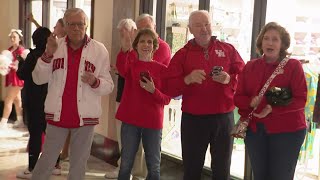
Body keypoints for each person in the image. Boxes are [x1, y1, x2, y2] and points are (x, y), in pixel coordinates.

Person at [30, 8, 114, 180]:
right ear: (65, 26)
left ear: (86, 25)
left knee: (78, 165)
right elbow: (37, 78)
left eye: (80, 24)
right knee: (46, 161)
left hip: (86, 118)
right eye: (72, 24)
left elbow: (109, 86)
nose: (76, 28)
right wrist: (48, 55)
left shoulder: (99, 50)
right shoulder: (54, 46)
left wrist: (94, 82)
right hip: (57, 115)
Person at [162, 10, 245, 180]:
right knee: (192, 169)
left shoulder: (228, 50)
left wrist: (230, 79)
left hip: (223, 118)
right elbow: (168, 88)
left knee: (222, 169)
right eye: (198, 25)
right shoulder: (182, 55)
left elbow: (245, 76)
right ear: (190, 29)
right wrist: (187, 79)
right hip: (194, 120)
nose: (204, 29)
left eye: (207, 24)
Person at [234, 22, 307, 180]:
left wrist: (273, 109)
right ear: (261, 43)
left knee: (281, 176)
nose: (270, 42)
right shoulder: (250, 66)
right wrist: (250, 102)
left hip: (288, 132)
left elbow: (301, 99)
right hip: (256, 132)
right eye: (266, 38)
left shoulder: (293, 66)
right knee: (260, 175)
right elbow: (238, 97)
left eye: (275, 39)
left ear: (283, 44)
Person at [105, 14, 171, 180]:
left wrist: (153, 90)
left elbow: (166, 99)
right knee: (126, 163)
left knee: (153, 166)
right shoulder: (131, 65)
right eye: (142, 41)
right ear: (137, 44)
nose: (146, 45)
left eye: (149, 42)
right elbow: (121, 67)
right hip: (130, 121)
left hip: (152, 122)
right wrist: (125, 47)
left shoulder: (162, 69)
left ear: (155, 46)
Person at [16, 27, 62, 179]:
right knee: (51, 133)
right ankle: (55, 165)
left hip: (34, 100)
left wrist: (20, 62)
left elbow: (22, 74)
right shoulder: (55, 55)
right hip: (51, 99)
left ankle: (32, 167)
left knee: (35, 134)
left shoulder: (33, 55)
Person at [27, 12, 70, 161]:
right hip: (49, 94)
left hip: (55, 94)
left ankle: (60, 156)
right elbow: (44, 32)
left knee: (56, 129)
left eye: (56, 26)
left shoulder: (62, 47)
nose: (53, 28)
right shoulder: (54, 44)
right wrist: (33, 21)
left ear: (64, 28)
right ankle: (59, 157)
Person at [0, 29, 25, 129]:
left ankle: (3, 121)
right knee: (17, 100)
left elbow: (23, 65)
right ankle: (20, 121)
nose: (12, 39)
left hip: (18, 78)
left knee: (8, 99)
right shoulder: (9, 50)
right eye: (11, 37)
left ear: (19, 38)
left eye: (14, 37)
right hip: (11, 77)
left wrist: (16, 67)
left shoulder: (21, 50)